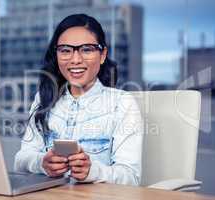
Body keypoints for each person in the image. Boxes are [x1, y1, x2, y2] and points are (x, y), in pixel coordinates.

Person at [14, 14, 143, 185]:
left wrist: (93, 171)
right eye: (66, 50)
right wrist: (42, 163)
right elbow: (20, 161)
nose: (75, 60)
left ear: (102, 55)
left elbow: (131, 177)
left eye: (87, 49)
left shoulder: (122, 103)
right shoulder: (44, 99)